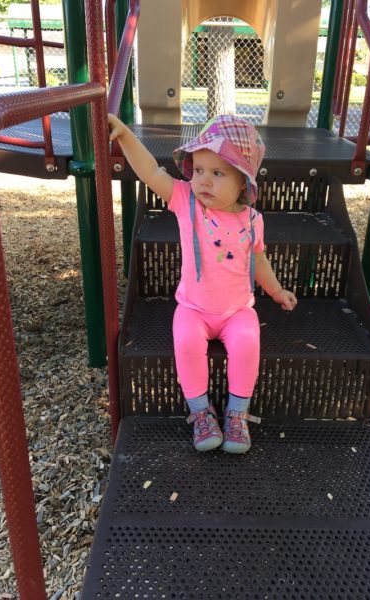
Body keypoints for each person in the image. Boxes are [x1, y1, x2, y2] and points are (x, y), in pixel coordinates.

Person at [108, 114, 297, 454]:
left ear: (243, 182)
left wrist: (276, 290)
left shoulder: (253, 220)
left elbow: (258, 262)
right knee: (185, 341)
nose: (203, 181)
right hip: (193, 309)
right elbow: (151, 172)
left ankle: (237, 415)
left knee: (248, 340)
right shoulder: (186, 202)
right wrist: (124, 136)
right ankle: (201, 414)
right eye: (198, 171)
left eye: (217, 173)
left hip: (237, 310)